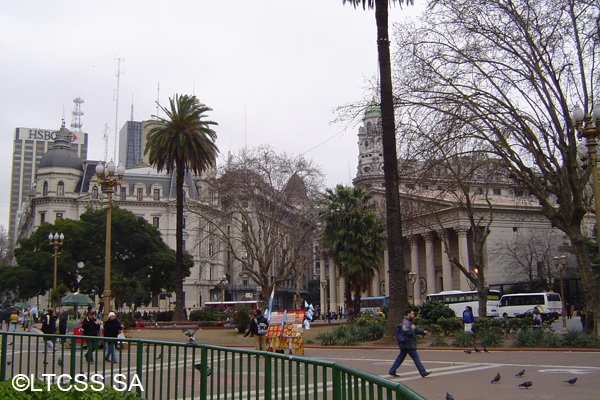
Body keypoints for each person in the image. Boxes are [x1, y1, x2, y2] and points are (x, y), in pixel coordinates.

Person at [389, 309, 431, 378]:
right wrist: (412, 329)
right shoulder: (406, 322)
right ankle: (422, 372)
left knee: (401, 357)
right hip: (408, 344)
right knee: (415, 358)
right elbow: (406, 331)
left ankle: (392, 370)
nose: (413, 315)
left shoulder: (407, 322)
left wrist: (422, 331)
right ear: (408, 314)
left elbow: (414, 329)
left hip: (405, 343)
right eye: (412, 314)